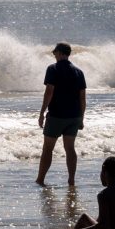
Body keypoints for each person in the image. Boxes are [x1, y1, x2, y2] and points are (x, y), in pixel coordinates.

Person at [36, 42, 87, 186]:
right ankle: (71, 179)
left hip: (57, 115)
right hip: (74, 116)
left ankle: (40, 179)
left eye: (55, 53)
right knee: (70, 148)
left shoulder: (52, 69)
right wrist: (81, 118)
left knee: (48, 149)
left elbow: (49, 92)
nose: (54, 55)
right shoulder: (79, 72)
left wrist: (42, 112)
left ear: (59, 53)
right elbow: (82, 98)